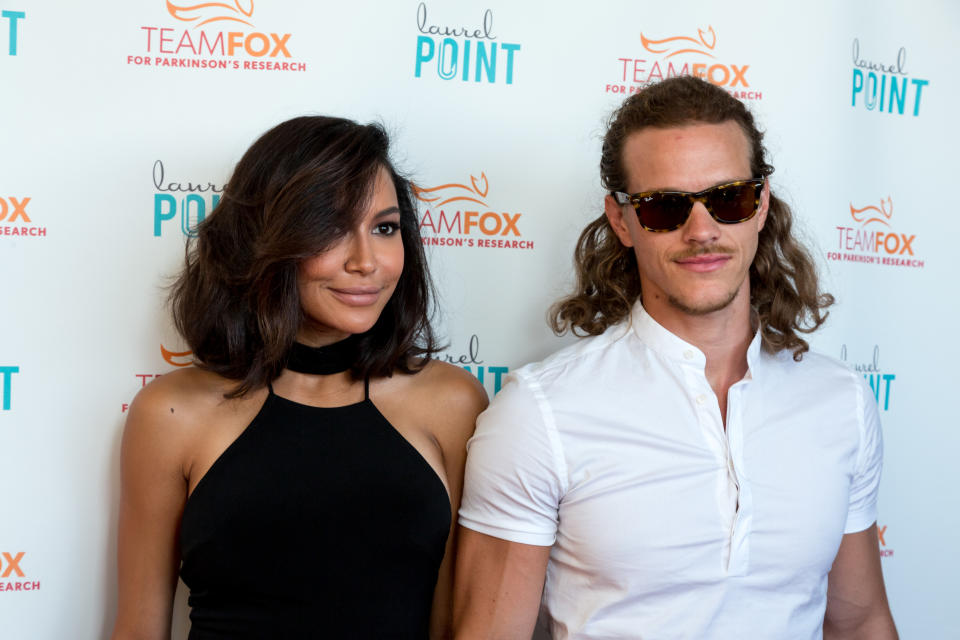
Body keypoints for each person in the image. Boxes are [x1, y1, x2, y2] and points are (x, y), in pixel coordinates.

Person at [454, 76, 897, 639]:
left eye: (728, 198)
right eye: (664, 208)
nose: (702, 230)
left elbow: (859, 622)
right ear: (622, 222)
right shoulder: (540, 414)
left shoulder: (842, 402)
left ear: (761, 205)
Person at [111, 116, 487, 639]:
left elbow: (456, 623)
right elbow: (138, 630)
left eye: (384, 227)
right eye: (331, 229)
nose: (367, 261)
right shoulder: (171, 413)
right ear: (265, 239)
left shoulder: (451, 402)